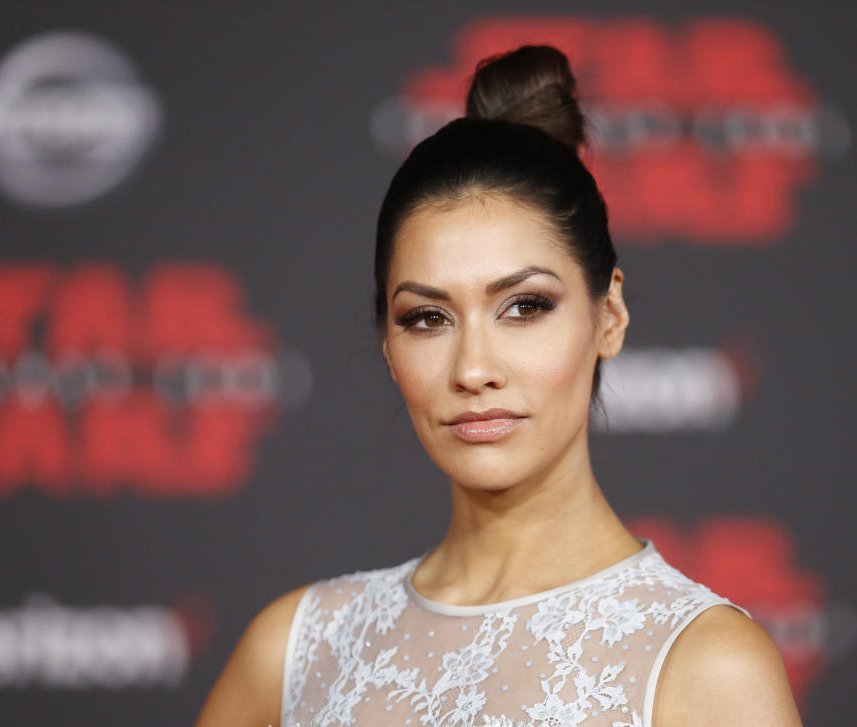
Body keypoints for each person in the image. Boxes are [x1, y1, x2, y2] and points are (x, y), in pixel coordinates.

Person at [194, 45, 802, 727]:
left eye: (523, 306)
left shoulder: (705, 666)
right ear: (388, 348)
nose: (472, 367)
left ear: (609, 316)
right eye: (427, 318)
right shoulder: (295, 651)